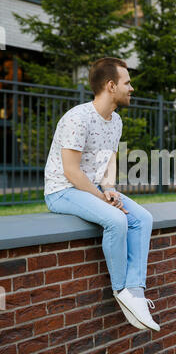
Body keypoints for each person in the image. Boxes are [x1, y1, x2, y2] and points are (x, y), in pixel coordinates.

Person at [44, 57, 160, 332]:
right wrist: (102, 199)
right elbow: (71, 172)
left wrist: (109, 189)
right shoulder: (77, 118)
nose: (131, 88)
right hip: (62, 191)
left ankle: (135, 291)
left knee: (142, 218)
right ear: (111, 85)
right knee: (117, 220)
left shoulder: (115, 121)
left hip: (93, 190)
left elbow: (109, 163)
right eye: (127, 82)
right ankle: (121, 290)